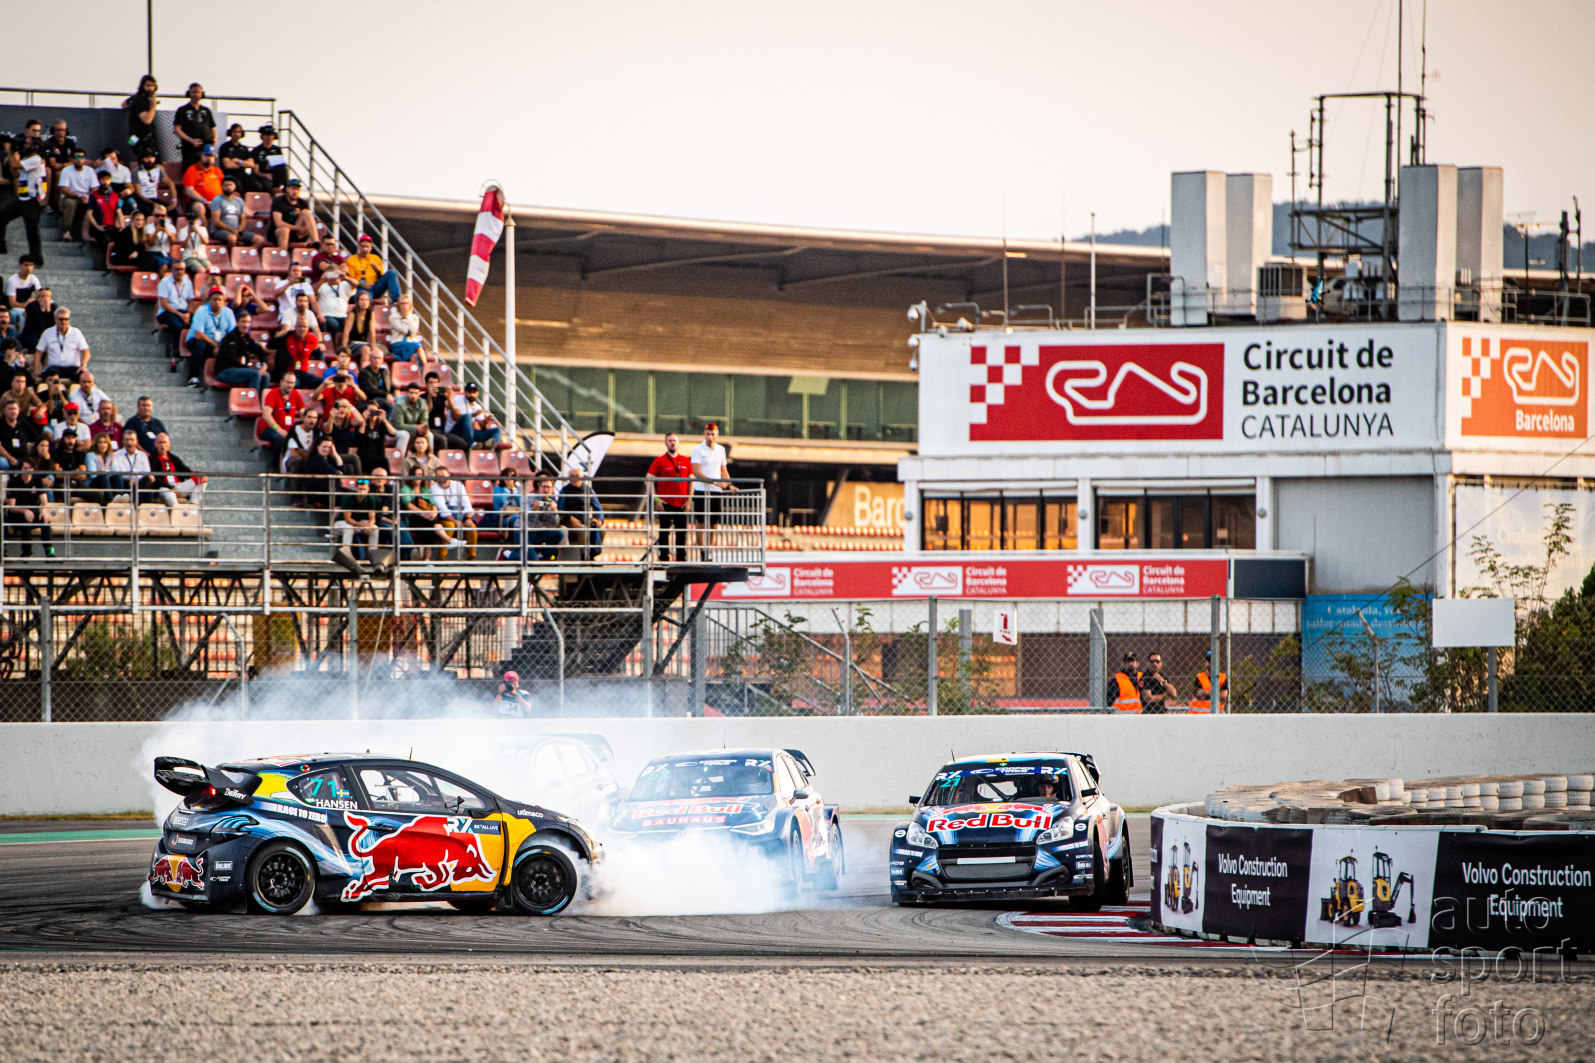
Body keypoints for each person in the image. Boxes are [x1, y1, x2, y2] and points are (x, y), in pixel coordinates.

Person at [0, 120, 47, 266]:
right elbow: (15, 172)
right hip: (23, 197)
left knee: (32, 229)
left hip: (32, 199)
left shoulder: (36, 158)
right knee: (2, 216)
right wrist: (14, 154)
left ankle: (37, 259)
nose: (25, 145)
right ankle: (1, 246)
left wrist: (10, 152)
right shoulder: (26, 157)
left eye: (27, 144)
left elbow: (15, 165)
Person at [690, 422, 734, 561]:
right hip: (701, 489)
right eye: (708, 434)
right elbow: (697, 472)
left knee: (714, 523)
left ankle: (709, 549)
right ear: (704, 434)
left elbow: (723, 470)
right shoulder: (698, 449)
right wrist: (716, 482)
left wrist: (729, 485)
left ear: (717, 435)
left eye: (712, 434)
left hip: (716, 491)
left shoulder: (721, 450)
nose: (710, 437)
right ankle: (703, 551)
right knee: (701, 522)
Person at [646, 431, 692, 562]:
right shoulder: (659, 460)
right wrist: (656, 498)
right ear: (666, 443)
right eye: (670, 441)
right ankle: (664, 558)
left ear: (678, 443)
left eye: (674, 441)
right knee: (664, 532)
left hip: (682, 502)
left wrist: (689, 500)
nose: (672, 443)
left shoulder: (685, 460)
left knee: (681, 533)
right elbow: (648, 480)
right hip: (665, 502)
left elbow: (691, 482)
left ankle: (681, 559)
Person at [184, 286, 236, 387]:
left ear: (224, 301)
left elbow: (233, 333)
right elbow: (198, 334)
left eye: (220, 299)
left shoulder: (228, 312)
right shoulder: (201, 311)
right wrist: (216, 345)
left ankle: (229, 377)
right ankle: (193, 377)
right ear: (209, 300)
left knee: (233, 345)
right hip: (200, 340)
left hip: (220, 343)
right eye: (214, 299)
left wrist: (221, 346)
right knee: (199, 345)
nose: (217, 302)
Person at [3, 460, 54, 556]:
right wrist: (25, 511)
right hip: (16, 514)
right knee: (25, 521)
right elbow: (11, 506)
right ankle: (26, 552)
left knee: (45, 519)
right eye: (25, 468)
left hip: (33, 512)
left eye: (30, 468)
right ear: (21, 469)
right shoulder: (14, 482)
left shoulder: (37, 480)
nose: (28, 471)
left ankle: (49, 551)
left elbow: (44, 501)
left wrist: (44, 510)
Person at [213, 311, 272, 391]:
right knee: (255, 374)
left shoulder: (246, 337)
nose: (246, 325)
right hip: (225, 371)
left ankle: (263, 398)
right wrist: (247, 369)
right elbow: (232, 359)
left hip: (239, 370)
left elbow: (259, 350)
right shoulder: (230, 338)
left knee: (266, 376)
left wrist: (264, 364)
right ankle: (253, 398)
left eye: (248, 322)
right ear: (237, 323)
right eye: (243, 322)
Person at [558, 465, 604, 561]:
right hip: (570, 521)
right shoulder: (564, 491)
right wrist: (569, 517)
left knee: (601, 530)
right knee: (583, 530)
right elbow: (560, 511)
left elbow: (598, 507)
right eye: (572, 476)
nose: (575, 478)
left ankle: (593, 554)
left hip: (585, 519)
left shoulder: (588, 490)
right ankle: (584, 557)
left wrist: (600, 519)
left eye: (577, 476)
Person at [429, 471, 478, 560]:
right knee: (449, 526)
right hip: (444, 517)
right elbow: (443, 509)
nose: (441, 479)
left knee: (471, 527)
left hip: (460, 514)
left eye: (443, 476)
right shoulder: (434, 487)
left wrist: (468, 518)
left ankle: (471, 558)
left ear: (449, 475)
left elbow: (466, 503)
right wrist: (456, 522)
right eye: (438, 477)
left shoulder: (458, 485)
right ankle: (441, 558)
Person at [33, 307, 90, 382]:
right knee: (51, 377)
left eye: (66, 319)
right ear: (55, 319)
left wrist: (83, 365)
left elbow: (86, 351)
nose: (63, 322)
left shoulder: (76, 333)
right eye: (61, 319)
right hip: (55, 367)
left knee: (84, 377)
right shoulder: (47, 333)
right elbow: (38, 352)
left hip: (72, 367)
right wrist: (36, 369)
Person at [258, 371, 304, 464]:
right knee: (279, 438)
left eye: (292, 383)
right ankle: (275, 466)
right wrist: (278, 429)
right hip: (270, 429)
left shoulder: (295, 394)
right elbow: (266, 414)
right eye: (288, 382)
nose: (290, 385)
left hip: (288, 430)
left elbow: (303, 413)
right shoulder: (273, 393)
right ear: (281, 382)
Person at [149, 432, 205, 508]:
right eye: (160, 442)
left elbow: (186, 471)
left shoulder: (174, 458)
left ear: (169, 445)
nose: (162, 445)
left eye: (165, 442)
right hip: (163, 488)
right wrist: (170, 487)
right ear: (155, 444)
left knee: (202, 478)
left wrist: (198, 474)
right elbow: (155, 478)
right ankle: (177, 512)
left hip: (178, 486)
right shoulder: (151, 459)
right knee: (170, 494)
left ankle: (194, 506)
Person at [156, 261, 196, 366]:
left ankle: (191, 349)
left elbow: (191, 302)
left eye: (182, 269)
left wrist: (188, 313)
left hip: (184, 311)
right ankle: (177, 350)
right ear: (172, 270)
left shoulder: (188, 282)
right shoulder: (165, 282)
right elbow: (164, 304)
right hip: (167, 311)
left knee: (197, 323)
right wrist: (180, 315)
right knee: (177, 326)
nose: (179, 272)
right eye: (177, 269)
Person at [517, 473, 564, 561]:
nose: (546, 490)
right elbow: (525, 521)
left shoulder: (551, 502)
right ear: (539, 487)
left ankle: (547, 557)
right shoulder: (529, 498)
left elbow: (553, 524)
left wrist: (555, 512)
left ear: (552, 489)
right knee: (531, 561)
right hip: (524, 532)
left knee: (559, 533)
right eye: (543, 487)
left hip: (537, 533)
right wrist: (533, 511)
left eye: (548, 487)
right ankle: (506, 553)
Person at [343, 233, 401, 304]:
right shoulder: (351, 260)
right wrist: (362, 285)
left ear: (371, 248)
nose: (365, 249)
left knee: (392, 272)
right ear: (358, 247)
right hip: (361, 287)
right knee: (365, 298)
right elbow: (350, 280)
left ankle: (396, 300)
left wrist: (378, 271)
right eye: (363, 246)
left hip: (375, 287)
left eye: (367, 246)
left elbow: (382, 278)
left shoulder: (376, 258)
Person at [333, 477, 382, 556]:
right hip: (343, 522)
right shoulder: (348, 497)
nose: (362, 491)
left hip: (361, 522)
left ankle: (373, 555)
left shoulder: (370, 498)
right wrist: (361, 525)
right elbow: (348, 519)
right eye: (360, 489)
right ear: (355, 488)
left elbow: (372, 517)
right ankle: (346, 555)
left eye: (364, 489)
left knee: (375, 529)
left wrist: (370, 525)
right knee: (349, 528)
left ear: (368, 489)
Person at [56, 150, 98, 240]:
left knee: (95, 203)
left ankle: (93, 232)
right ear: (72, 159)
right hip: (70, 197)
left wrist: (88, 197)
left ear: (85, 159)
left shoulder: (90, 171)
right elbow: (64, 189)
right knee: (70, 203)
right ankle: (66, 231)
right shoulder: (66, 170)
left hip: (86, 197)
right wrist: (79, 196)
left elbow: (94, 188)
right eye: (77, 157)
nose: (79, 160)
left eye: (82, 157)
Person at [173, 83, 218, 168]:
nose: (196, 95)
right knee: (190, 170)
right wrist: (192, 141)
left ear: (202, 94)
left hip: (205, 148)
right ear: (189, 93)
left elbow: (212, 128)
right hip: (189, 148)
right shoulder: (182, 110)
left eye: (198, 92)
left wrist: (215, 139)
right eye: (194, 92)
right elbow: (177, 129)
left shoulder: (206, 110)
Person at [40, 121, 79, 217]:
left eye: (62, 130)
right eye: (57, 130)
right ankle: (55, 205)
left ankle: (61, 205)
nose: (60, 133)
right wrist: (67, 164)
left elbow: (74, 160)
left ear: (66, 131)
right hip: (53, 171)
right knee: (58, 174)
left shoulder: (70, 142)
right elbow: (53, 164)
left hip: (68, 169)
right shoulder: (49, 142)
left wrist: (65, 164)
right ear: (53, 131)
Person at [208, 175, 258, 248]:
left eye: (230, 185)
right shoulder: (217, 200)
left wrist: (239, 230)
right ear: (221, 187)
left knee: (259, 240)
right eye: (226, 185)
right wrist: (232, 231)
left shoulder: (239, 201)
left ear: (235, 186)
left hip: (236, 231)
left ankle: (246, 253)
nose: (228, 187)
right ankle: (230, 254)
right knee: (232, 238)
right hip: (219, 231)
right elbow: (216, 221)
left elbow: (243, 219)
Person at [81, 170, 124, 250]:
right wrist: (97, 226)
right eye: (103, 179)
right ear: (99, 181)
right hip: (100, 226)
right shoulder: (94, 195)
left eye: (107, 179)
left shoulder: (114, 195)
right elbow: (89, 213)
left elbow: (118, 211)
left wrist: (122, 226)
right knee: (108, 244)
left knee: (120, 242)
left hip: (111, 226)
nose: (106, 182)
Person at [269, 316, 322, 380]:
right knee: (295, 383)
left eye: (304, 326)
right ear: (295, 327)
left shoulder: (312, 339)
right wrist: (277, 336)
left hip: (302, 372)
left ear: (308, 328)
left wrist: (313, 369)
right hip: (288, 371)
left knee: (319, 381)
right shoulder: (287, 337)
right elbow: (270, 345)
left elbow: (315, 353)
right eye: (299, 326)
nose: (302, 329)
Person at [121, 75, 160, 160]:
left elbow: (124, 104)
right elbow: (147, 120)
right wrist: (153, 104)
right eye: (148, 85)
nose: (150, 88)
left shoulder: (135, 98)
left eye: (152, 86)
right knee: (147, 161)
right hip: (142, 138)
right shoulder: (140, 100)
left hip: (134, 136)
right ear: (142, 86)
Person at [107, 427, 153, 499]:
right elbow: (116, 472)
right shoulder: (116, 455)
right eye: (127, 440)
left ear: (136, 441)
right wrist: (130, 479)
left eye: (132, 440)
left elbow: (147, 472)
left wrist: (136, 479)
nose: (129, 442)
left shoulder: (142, 455)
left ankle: (143, 504)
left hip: (139, 482)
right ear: (123, 441)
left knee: (147, 480)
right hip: (124, 482)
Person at [270, 178, 317, 248]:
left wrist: (299, 215)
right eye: (293, 189)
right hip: (279, 232)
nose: (295, 192)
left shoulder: (302, 203)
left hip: (296, 233)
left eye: (297, 189)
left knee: (306, 213)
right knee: (284, 230)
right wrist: (298, 228)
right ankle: (283, 254)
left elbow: (310, 221)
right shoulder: (278, 201)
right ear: (287, 189)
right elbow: (278, 223)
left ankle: (316, 242)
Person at [131, 148, 176, 216]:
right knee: (149, 213)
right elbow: (138, 192)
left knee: (173, 212)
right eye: (147, 158)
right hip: (142, 199)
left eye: (152, 157)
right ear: (142, 159)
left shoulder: (158, 169)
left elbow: (170, 183)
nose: (150, 160)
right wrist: (152, 203)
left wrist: (174, 201)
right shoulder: (136, 171)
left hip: (154, 198)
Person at [181, 145, 224, 215]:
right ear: (200, 156)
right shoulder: (192, 170)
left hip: (216, 201)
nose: (209, 158)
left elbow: (224, 186)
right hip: (198, 201)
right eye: (206, 155)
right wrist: (205, 201)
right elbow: (188, 190)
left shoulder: (217, 170)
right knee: (200, 208)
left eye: (211, 156)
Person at [315, 267, 352, 346]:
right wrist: (322, 280)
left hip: (343, 315)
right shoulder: (322, 286)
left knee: (350, 324)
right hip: (328, 315)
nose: (332, 277)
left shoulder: (344, 284)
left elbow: (356, 284)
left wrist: (345, 276)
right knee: (334, 325)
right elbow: (313, 290)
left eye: (334, 274)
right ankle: (335, 347)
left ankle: (345, 346)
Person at [248, 125, 288, 193]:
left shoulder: (277, 149)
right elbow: (255, 170)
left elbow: (280, 167)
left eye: (271, 135)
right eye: (266, 135)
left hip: (274, 176)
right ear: (262, 136)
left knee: (283, 168)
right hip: (262, 176)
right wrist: (264, 175)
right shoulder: (257, 150)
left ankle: (286, 188)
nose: (269, 137)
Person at [0, 398, 37, 469]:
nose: (13, 411)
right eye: (10, 409)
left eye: (15, 409)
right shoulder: (1, 424)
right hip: (6, 458)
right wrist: (11, 459)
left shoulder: (24, 423)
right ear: (4, 411)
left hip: (23, 458)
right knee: (2, 463)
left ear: (18, 410)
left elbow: (36, 438)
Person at [1137, 651, 1177, 715]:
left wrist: (1163, 681)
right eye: (1152, 661)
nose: (1155, 664)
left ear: (1161, 663)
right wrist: (1163, 695)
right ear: (1148, 663)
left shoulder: (1162, 676)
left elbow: (1173, 694)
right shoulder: (1144, 677)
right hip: (1148, 713)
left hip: (1161, 712)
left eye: (1157, 661)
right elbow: (1149, 699)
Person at [386, 294, 424, 360]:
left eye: (406, 303)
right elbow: (404, 330)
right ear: (399, 305)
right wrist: (404, 318)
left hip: (411, 341)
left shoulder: (415, 317)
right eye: (402, 304)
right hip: (398, 343)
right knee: (415, 346)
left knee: (419, 348)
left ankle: (425, 366)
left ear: (410, 305)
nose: (404, 306)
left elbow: (413, 330)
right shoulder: (393, 317)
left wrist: (407, 316)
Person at [356, 345, 393, 413]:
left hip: (385, 397)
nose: (377, 360)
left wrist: (396, 390)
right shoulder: (364, 373)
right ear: (370, 359)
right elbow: (370, 390)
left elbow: (391, 385)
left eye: (379, 358)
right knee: (390, 405)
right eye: (374, 358)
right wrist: (386, 395)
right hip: (372, 399)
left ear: (382, 360)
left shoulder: (384, 372)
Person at [84, 431, 118, 502]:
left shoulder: (111, 455)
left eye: (105, 442)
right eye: (100, 442)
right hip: (93, 483)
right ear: (96, 444)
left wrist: (101, 471)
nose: (103, 445)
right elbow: (93, 475)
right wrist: (105, 472)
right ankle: (111, 499)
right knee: (103, 476)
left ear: (108, 444)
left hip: (107, 480)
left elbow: (115, 471)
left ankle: (121, 497)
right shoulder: (90, 455)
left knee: (118, 476)